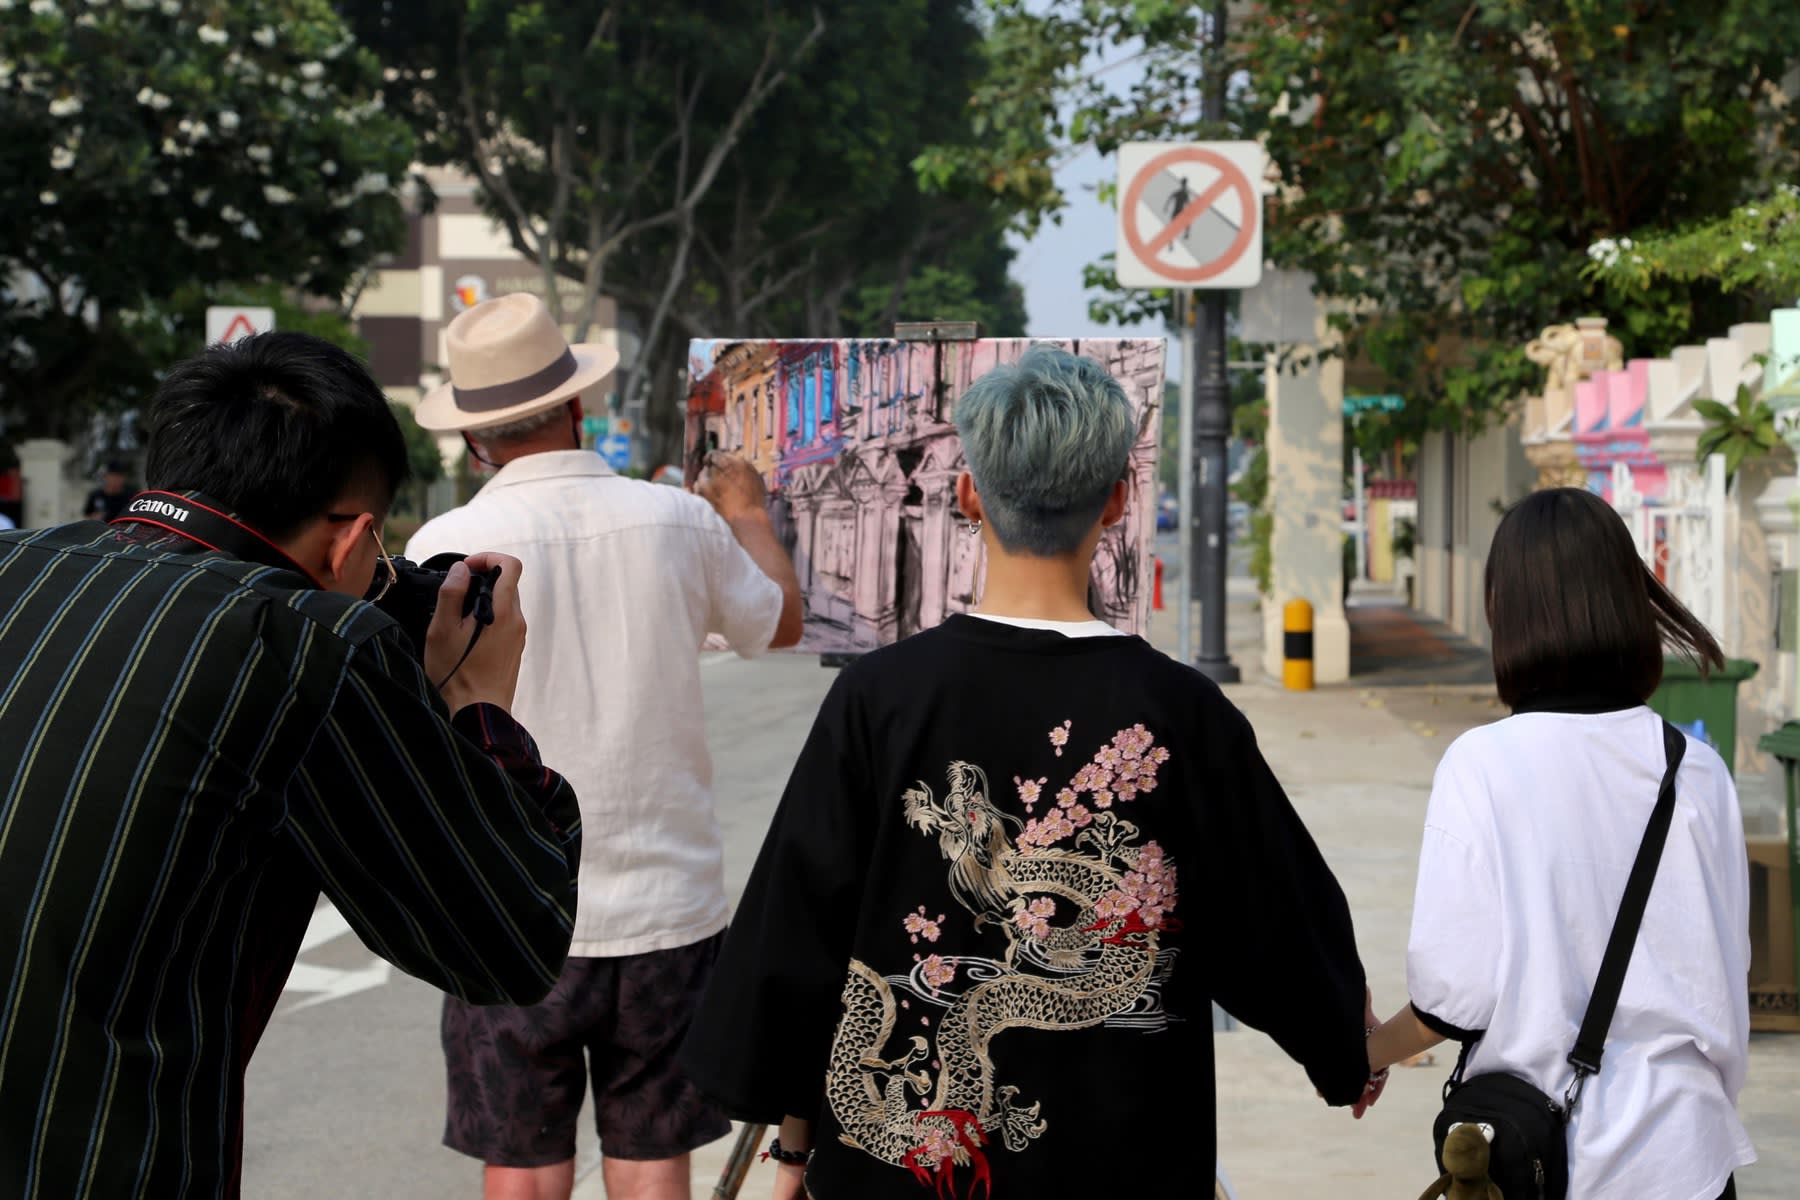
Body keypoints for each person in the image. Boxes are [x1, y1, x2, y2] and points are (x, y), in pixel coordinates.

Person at [679, 345, 1383, 1199]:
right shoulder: (1182, 711)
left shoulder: (878, 698)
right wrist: (1345, 1047)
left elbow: (799, 942)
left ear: (969, 495)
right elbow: (1275, 922)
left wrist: (793, 1146)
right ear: (1118, 500)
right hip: (1121, 1167)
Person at [0, 332, 583, 1199]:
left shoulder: (19, 563)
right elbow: (511, 941)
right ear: (351, 538)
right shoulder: (302, 643)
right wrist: (478, 705)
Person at [408, 293, 804, 1200]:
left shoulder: (443, 546)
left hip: (509, 914)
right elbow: (779, 624)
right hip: (667, 910)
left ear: (472, 439)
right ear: (577, 407)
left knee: (521, 1165)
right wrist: (746, 513)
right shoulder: (678, 521)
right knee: (653, 1158)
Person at [1366, 487, 1754, 1200]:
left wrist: (1364, 1054)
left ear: (1506, 612)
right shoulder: (1696, 769)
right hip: (1687, 1156)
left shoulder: (1483, 765)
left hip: (1543, 1162)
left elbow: (1453, 996)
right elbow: (1726, 974)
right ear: (1628, 601)